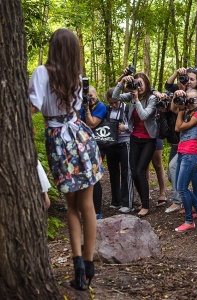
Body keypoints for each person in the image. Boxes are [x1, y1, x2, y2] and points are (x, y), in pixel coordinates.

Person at [29, 28, 103, 290]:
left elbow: (33, 105)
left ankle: (79, 267)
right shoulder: (76, 77)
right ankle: (89, 265)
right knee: (88, 206)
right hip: (82, 138)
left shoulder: (42, 72)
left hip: (60, 142)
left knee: (73, 207)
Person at [165, 67, 197, 210]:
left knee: (194, 169)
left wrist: (184, 96)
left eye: (192, 79)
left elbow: (184, 116)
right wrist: (177, 94)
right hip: (186, 138)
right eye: (187, 78)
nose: (189, 82)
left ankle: (196, 201)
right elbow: (174, 108)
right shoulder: (184, 93)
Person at [112, 72, 158, 217]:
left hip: (149, 139)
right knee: (133, 171)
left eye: (140, 83)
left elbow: (144, 116)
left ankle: (145, 205)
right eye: (136, 84)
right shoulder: (131, 96)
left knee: (140, 171)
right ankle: (144, 199)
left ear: (146, 84)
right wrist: (121, 82)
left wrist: (136, 100)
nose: (138, 87)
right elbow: (114, 97)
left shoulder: (152, 98)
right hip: (135, 137)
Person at [171, 89, 197, 232]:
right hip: (183, 152)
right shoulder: (190, 112)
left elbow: (178, 127)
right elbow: (172, 108)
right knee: (183, 187)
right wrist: (177, 98)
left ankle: (189, 221)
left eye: (194, 100)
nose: (190, 103)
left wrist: (181, 109)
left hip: (191, 154)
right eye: (188, 99)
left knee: (182, 188)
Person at [80, 85, 106, 219]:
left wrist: (86, 109)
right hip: (83, 145)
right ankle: (85, 208)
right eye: (87, 95)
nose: (89, 98)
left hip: (98, 145)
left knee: (94, 177)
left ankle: (97, 211)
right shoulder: (81, 105)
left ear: (96, 94)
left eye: (91, 95)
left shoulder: (101, 107)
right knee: (85, 176)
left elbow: (92, 123)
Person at [106, 88, 133, 213]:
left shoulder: (127, 108)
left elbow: (135, 125)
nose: (113, 105)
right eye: (111, 103)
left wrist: (125, 127)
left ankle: (127, 202)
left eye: (115, 102)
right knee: (113, 173)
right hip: (111, 144)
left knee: (126, 172)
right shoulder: (107, 110)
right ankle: (115, 201)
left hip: (125, 143)